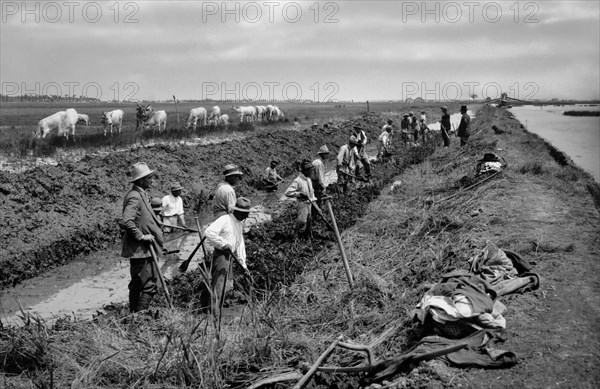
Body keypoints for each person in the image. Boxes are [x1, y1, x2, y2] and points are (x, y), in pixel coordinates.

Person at [120, 162, 164, 313]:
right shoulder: (134, 197)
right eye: (149, 178)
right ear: (140, 180)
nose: (152, 180)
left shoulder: (142, 194)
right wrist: (141, 236)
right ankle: (140, 316)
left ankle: (134, 314)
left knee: (138, 283)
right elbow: (127, 221)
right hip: (141, 249)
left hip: (143, 250)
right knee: (149, 284)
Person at [204, 197, 251, 321]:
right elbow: (209, 232)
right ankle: (213, 314)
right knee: (218, 285)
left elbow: (240, 245)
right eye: (245, 214)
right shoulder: (225, 219)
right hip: (221, 256)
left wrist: (243, 265)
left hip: (231, 257)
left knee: (228, 285)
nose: (246, 217)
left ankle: (220, 311)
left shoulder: (238, 224)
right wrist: (222, 243)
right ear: (238, 211)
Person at [285, 160, 317, 240]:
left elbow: (312, 194)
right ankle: (296, 238)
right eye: (310, 170)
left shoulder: (308, 179)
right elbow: (288, 192)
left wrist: (316, 206)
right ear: (306, 171)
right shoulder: (298, 180)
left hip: (309, 204)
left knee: (309, 221)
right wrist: (299, 194)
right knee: (302, 222)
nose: (312, 172)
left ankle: (306, 238)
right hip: (302, 204)